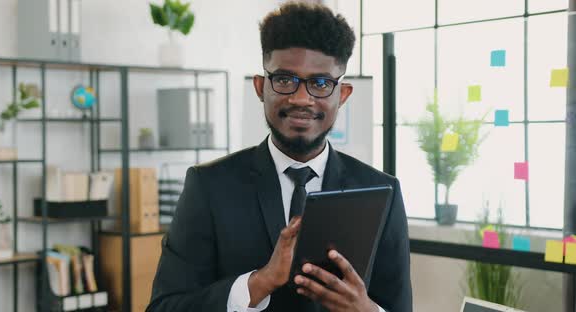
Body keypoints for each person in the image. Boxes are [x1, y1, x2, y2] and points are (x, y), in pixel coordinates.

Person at [147, 2, 412, 312]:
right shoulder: (209, 187)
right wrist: (258, 283)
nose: (301, 98)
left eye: (321, 83)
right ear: (260, 87)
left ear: (344, 95)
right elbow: (163, 308)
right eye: (285, 80)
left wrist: (365, 310)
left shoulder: (383, 192)